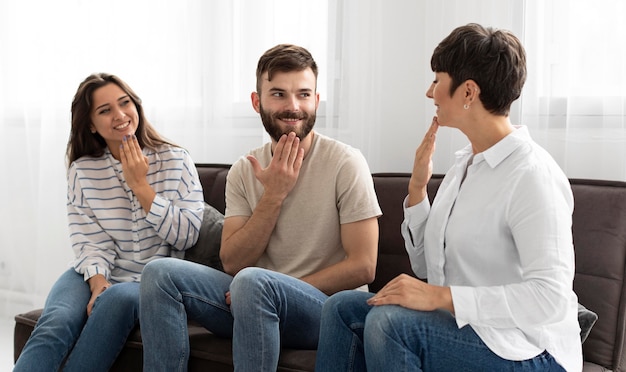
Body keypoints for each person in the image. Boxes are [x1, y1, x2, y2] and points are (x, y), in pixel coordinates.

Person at [315, 23, 582, 372]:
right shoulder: (463, 166)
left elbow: (551, 298)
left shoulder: (532, 176)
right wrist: (416, 190)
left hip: (531, 350)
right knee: (341, 308)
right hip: (470, 331)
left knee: (389, 324)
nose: (430, 92)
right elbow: (427, 268)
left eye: (437, 80)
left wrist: (442, 297)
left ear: (468, 91)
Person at [139, 44, 382, 371]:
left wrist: (277, 289)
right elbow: (232, 261)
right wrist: (274, 195)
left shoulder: (345, 162)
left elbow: (363, 266)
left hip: (322, 310)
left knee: (253, 282)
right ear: (258, 102)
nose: (293, 106)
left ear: (316, 101)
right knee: (159, 273)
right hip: (249, 299)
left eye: (304, 94)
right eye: (279, 94)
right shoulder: (244, 169)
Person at [13, 73, 205, 372]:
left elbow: (187, 237)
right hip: (93, 272)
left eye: (124, 103)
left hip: (148, 284)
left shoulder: (176, 160)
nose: (120, 115)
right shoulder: (83, 170)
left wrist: (141, 187)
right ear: (91, 124)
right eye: (105, 110)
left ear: (136, 106)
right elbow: (88, 239)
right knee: (56, 321)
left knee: (119, 297)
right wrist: (98, 279)